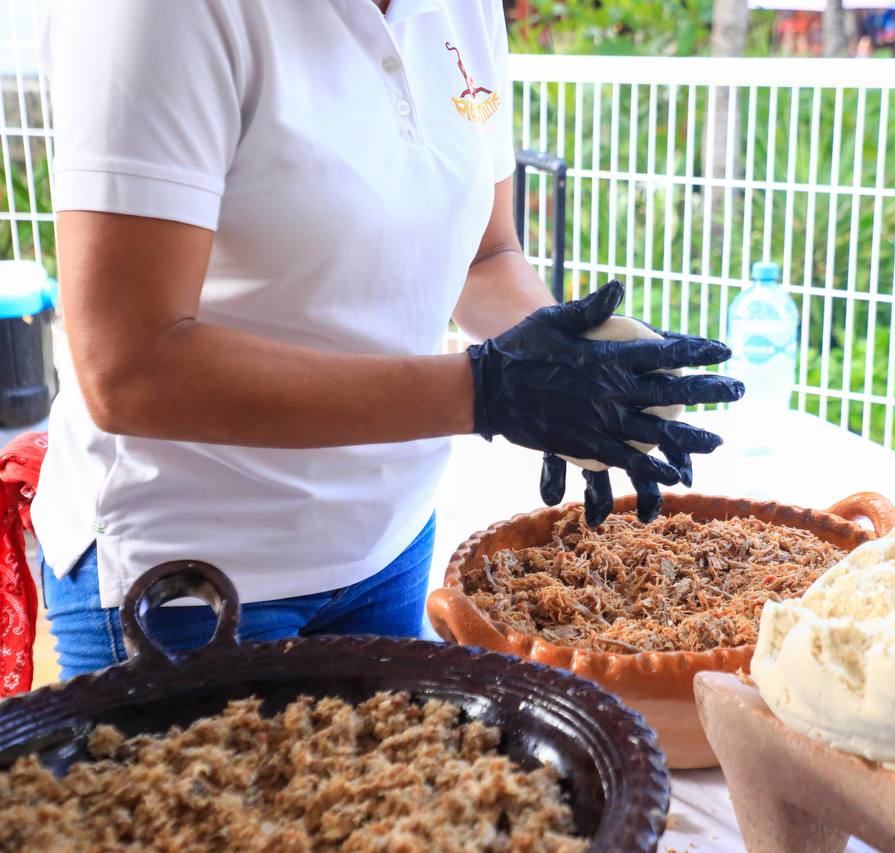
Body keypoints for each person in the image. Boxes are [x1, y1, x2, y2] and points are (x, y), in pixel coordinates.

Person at [33, 0, 743, 678]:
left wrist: (575, 374)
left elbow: (486, 255)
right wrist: (490, 390)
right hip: (194, 582)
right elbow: (130, 366)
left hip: (389, 545)